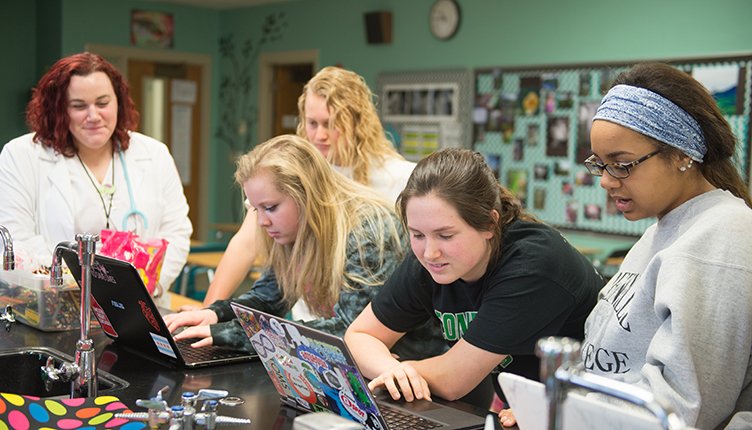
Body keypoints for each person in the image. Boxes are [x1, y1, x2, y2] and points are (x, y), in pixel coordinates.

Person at [344, 147, 605, 408]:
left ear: (490, 224)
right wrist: (390, 369)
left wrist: (399, 372)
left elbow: (453, 380)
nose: (429, 253)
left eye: (446, 236)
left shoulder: (533, 264)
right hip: (528, 410)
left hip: (587, 413)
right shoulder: (430, 262)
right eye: (417, 235)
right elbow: (358, 335)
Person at [576, 62, 752, 430]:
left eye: (622, 164)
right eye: (600, 164)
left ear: (683, 154)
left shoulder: (722, 238)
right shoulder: (665, 226)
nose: (606, 182)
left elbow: (680, 409)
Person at [163, 135, 443, 360]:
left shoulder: (368, 230)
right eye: (255, 208)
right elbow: (270, 297)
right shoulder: (292, 232)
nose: (261, 221)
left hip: (416, 368)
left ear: (306, 194)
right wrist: (217, 312)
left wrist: (237, 334)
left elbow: (349, 329)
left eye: (271, 207)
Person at [190, 66, 414, 310]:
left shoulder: (401, 177)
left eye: (331, 124)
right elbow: (245, 245)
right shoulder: (295, 173)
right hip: (309, 317)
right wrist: (208, 311)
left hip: (372, 315)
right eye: (312, 123)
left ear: (358, 121)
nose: (320, 135)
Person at [0, 52, 192, 309]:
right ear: (59, 109)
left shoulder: (153, 154)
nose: (93, 116)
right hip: (46, 310)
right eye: (79, 106)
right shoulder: (21, 155)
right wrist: (83, 286)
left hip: (135, 307)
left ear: (119, 102)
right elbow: (13, 244)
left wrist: (150, 283)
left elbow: (177, 232)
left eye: (103, 102)